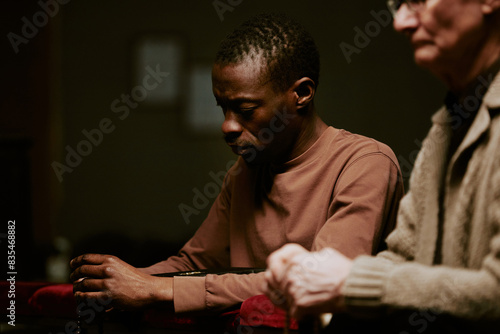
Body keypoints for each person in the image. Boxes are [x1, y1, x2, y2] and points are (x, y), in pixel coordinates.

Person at [70, 13, 404, 314]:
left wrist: (158, 289)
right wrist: (120, 281)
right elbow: (195, 262)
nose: (227, 126)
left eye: (244, 110)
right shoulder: (246, 172)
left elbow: (314, 279)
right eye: (222, 108)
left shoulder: (366, 163)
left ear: (301, 94)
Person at [265, 1, 500, 333]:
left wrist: (350, 283)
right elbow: (404, 260)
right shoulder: (446, 125)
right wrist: (313, 276)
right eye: (396, 5)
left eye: (417, 1)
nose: (400, 22)